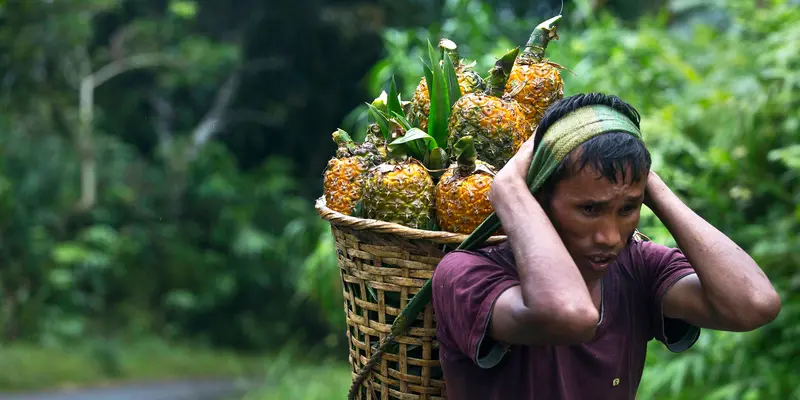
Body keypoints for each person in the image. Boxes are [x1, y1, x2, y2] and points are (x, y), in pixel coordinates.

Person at [430, 93, 781, 400]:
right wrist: (507, 189)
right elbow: (571, 315)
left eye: (628, 209)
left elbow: (753, 303)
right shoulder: (467, 273)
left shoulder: (638, 267)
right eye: (589, 210)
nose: (610, 237)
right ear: (539, 197)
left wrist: (647, 184)